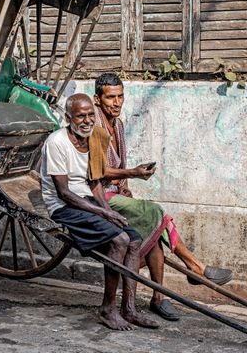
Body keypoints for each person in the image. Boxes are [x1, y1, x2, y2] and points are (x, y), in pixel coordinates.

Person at [89, 72, 232, 322]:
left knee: (155, 235)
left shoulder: (118, 125)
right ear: (97, 99)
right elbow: (98, 171)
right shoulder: (94, 128)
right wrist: (132, 173)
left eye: (121, 96)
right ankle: (195, 268)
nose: (117, 102)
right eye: (111, 97)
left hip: (116, 193)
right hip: (97, 196)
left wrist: (125, 184)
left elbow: (117, 168)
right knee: (157, 212)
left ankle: (159, 297)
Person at [40, 93, 158, 331]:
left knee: (133, 240)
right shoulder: (56, 142)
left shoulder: (95, 137)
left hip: (86, 200)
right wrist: (104, 214)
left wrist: (107, 210)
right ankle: (107, 308)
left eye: (90, 115)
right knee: (119, 240)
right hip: (64, 207)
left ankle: (129, 309)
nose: (86, 120)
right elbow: (64, 192)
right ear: (68, 118)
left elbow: (95, 182)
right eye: (80, 116)